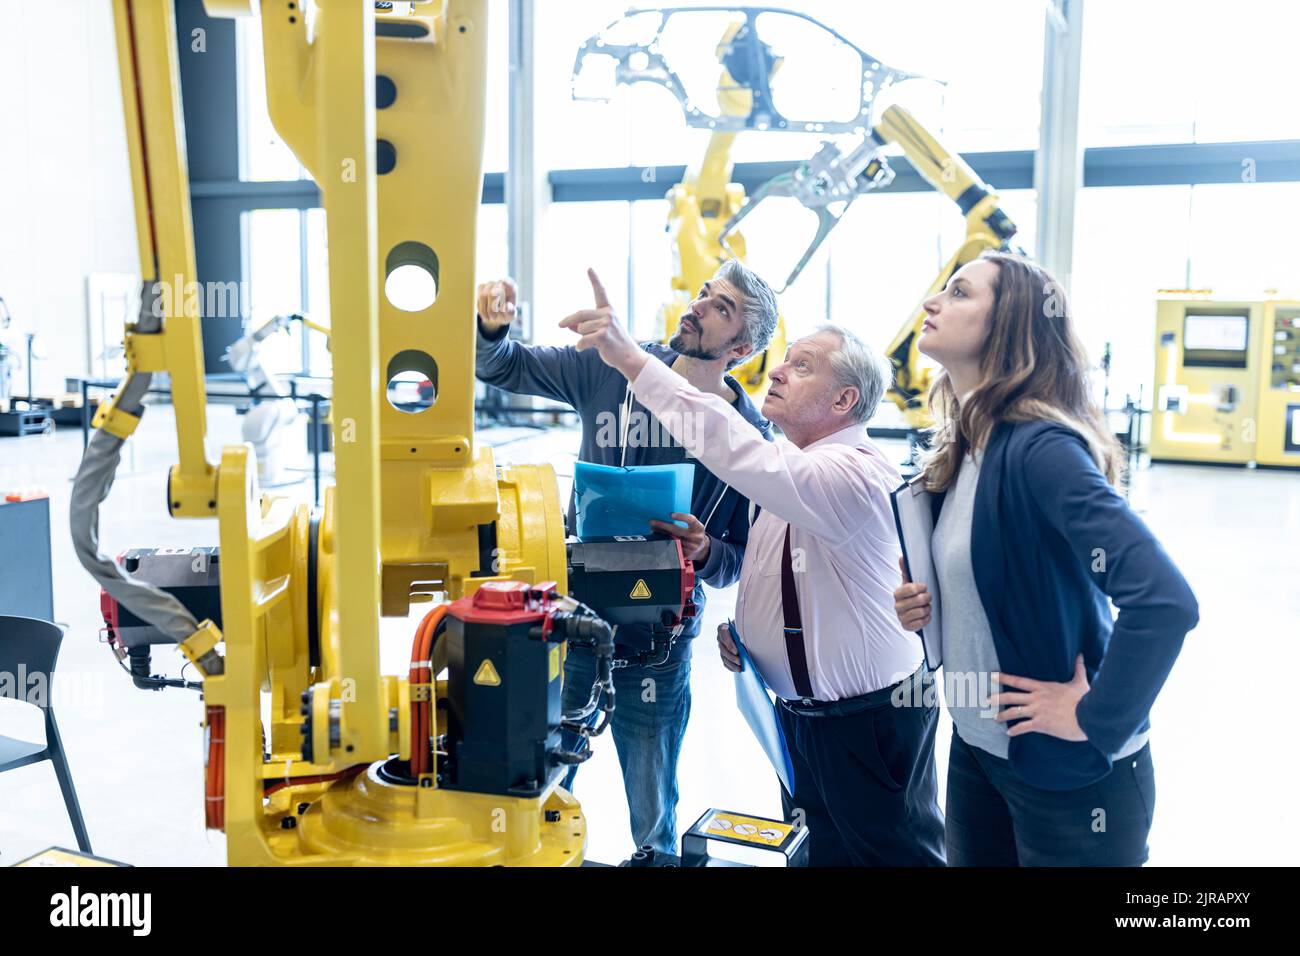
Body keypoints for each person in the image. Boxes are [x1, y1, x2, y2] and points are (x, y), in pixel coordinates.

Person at [563, 276, 946, 867]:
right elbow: (774, 566)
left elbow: (726, 441)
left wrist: (632, 361)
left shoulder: (850, 471)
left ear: (844, 401)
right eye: (785, 360)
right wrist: (751, 634)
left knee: (889, 855)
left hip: (868, 722)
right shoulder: (793, 464)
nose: (777, 372)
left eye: (803, 366)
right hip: (802, 718)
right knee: (821, 854)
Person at [892, 251, 1198, 866]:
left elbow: (1165, 600)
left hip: (1069, 772)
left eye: (958, 294)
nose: (932, 302)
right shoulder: (965, 451)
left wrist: (1096, 716)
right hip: (980, 749)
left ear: (1008, 329)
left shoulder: (1039, 450)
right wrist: (930, 603)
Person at [474, 261, 778, 855]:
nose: (699, 307)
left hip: (659, 643)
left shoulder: (748, 437)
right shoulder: (609, 368)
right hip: (571, 624)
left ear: (741, 346)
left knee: (652, 807)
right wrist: (490, 327)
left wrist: (706, 548)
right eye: (705, 294)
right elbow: (502, 365)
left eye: (722, 308)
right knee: (540, 787)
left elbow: (740, 558)